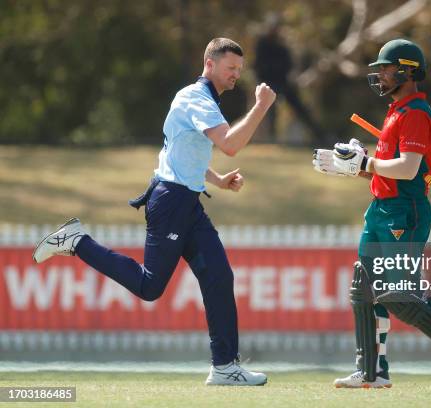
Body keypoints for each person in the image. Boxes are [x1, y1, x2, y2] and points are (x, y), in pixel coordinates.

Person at [32, 38, 277, 386]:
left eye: (239, 68)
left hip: (186, 202)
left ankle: (225, 367)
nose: (236, 74)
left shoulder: (201, 99)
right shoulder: (196, 98)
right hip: (172, 203)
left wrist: (218, 180)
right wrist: (262, 107)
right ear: (209, 63)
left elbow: (183, 152)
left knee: (219, 277)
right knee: (150, 287)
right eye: (231, 68)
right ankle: (76, 241)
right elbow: (231, 145)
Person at [313, 39, 431, 389]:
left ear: (408, 71)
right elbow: (387, 169)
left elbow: (409, 169)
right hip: (381, 208)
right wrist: (350, 166)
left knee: (400, 296)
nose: (379, 74)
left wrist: (365, 162)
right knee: (364, 286)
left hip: (404, 213)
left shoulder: (416, 114)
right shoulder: (396, 111)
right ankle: (371, 372)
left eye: (386, 67)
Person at [254, 13, 326, 144]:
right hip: (269, 83)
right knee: (270, 110)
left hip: (283, 82)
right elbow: (259, 66)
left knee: (300, 107)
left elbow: (288, 64)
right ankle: (271, 138)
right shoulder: (262, 44)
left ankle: (320, 136)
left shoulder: (281, 44)